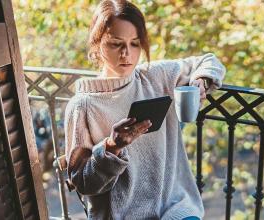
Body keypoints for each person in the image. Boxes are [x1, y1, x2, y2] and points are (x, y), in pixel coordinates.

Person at [63, 0, 226, 219]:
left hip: (174, 208)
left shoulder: (156, 77)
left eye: (135, 43)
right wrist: (112, 148)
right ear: (96, 44)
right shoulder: (82, 106)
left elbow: (209, 60)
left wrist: (201, 81)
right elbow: (83, 183)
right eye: (115, 44)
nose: (126, 54)